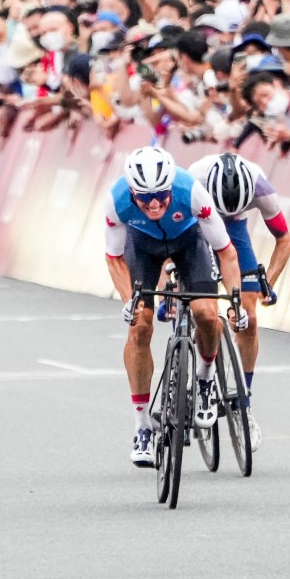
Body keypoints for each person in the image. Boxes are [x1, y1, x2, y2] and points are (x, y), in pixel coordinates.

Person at [104, 147, 247, 467]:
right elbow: (113, 258)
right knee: (140, 325)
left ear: (171, 187)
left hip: (189, 243)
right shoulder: (117, 201)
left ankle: (206, 378)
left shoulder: (192, 192)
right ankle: (142, 426)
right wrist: (130, 300)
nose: (154, 203)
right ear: (132, 192)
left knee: (207, 314)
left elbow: (226, 252)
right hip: (142, 247)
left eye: (161, 195)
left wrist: (235, 299)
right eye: (145, 197)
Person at [187, 152, 290, 450]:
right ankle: (198, 378)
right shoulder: (192, 180)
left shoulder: (261, 187)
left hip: (234, 230)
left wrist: (267, 284)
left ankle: (243, 403)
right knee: (201, 306)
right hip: (197, 226)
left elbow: (284, 240)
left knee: (249, 317)